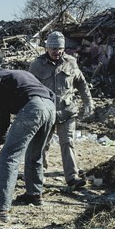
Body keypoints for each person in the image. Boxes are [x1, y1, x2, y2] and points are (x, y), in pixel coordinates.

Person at [0, 61, 56, 220]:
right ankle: (34, 194)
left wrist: (1, 132)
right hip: (50, 107)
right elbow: (51, 94)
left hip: (33, 107)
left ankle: (0, 207)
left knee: (8, 157)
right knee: (34, 154)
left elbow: (1, 110)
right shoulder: (19, 74)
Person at [29, 31, 94, 189]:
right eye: (53, 49)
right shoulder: (36, 65)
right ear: (46, 48)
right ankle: (40, 174)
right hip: (46, 113)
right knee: (42, 145)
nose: (56, 52)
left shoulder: (71, 62)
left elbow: (82, 84)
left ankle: (72, 177)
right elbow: (28, 88)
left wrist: (88, 103)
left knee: (67, 142)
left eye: (59, 49)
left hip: (67, 111)